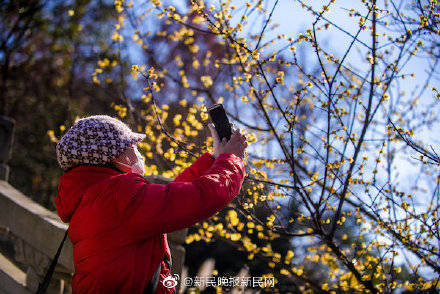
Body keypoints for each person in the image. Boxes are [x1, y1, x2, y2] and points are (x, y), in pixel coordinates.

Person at [54, 115, 248, 294]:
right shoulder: (119, 192)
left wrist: (214, 161)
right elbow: (200, 197)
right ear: (114, 155)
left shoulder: (92, 197)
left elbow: (167, 201)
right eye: (132, 146)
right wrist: (231, 160)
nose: (138, 152)